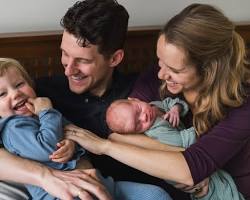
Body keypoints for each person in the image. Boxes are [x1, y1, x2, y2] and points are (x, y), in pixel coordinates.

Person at [64, 3, 250, 200]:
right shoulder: (156, 77)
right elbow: (121, 135)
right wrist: (187, 166)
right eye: (160, 62)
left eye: (174, 70)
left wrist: (103, 147)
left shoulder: (242, 104)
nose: (161, 73)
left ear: (210, 70)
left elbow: (188, 171)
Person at [36, 0, 189, 199]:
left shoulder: (144, 93)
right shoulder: (43, 93)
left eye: (83, 60)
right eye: (65, 54)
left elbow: (189, 150)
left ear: (115, 58)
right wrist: (42, 176)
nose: (68, 69)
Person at [0, 57, 172, 200]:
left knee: (156, 194)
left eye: (19, 84)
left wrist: (72, 144)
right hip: (63, 195)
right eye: (2, 94)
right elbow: (47, 148)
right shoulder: (14, 127)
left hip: (101, 183)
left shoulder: (43, 114)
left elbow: (76, 136)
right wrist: (46, 111)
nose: (15, 94)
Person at [106, 97, 245, 199]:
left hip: (194, 168)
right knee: (222, 192)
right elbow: (184, 142)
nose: (144, 118)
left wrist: (175, 109)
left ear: (134, 99)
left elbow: (172, 102)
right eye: (137, 125)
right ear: (136, 133)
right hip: (188, 171)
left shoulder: (153, 105)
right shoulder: (156, 132)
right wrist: (204, 126)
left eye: (138, 111)